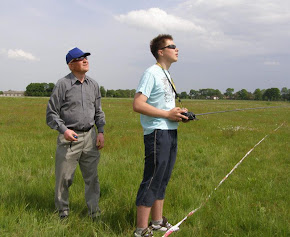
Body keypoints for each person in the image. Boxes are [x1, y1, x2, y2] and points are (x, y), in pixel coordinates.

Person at [133, 34, 190, 237]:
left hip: (170, 131)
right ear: (160, 51)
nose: (177, 49)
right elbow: (138, 104)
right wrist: (167, 114)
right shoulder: (151, 73)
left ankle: (157, 222)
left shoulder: (166, 74)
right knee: (152, 179)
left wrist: (178, 114)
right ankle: (141, 229)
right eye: (172, 46)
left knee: (163, 178)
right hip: (157, 133)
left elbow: (164, 106)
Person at [46, 47, 106, 220]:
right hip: (69, 139)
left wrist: (100, 131)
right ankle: (62, 212)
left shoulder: (93, 84)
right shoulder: (62, 84)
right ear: (71, 65)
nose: (85, 60)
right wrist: (64, 131)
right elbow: (51, 113)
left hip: (90, 137)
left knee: (92, 178)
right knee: (64, 178)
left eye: (86, 57)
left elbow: (98, 111)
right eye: (80, 58)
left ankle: (94, 212)